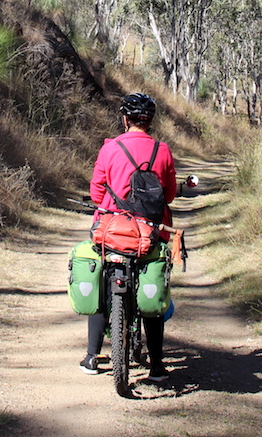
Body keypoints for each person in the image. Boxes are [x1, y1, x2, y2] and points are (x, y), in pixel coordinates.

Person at [80, 92, 177, 382]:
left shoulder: (109, 149)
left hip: (112, 231)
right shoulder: (162, 150)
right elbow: (170, 195)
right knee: (152, 281)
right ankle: (157, 365)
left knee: (101, 283)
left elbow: (96, 192)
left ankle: (92, 356)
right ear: (150, 121)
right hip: (150, 232)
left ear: (125, 119)